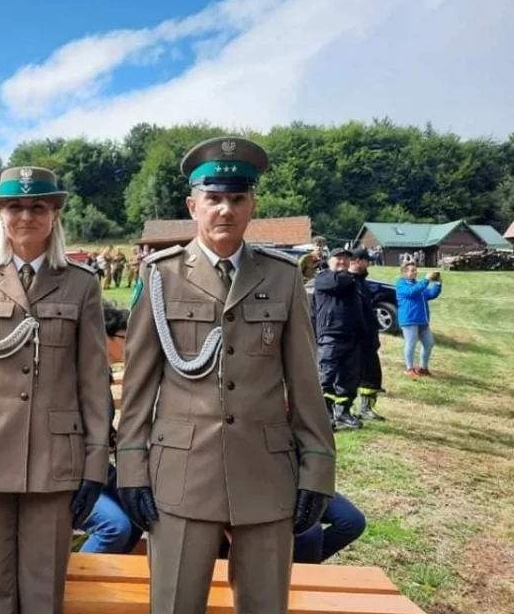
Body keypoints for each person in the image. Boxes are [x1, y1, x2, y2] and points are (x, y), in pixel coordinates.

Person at [117, 136, 335, 614]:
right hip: (181, 473)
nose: (225, 210)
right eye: (213, 198)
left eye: (237, 198)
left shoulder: (282, 276)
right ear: (192, 206)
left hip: (265, 472)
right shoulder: (161, 275)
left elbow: (305, 383)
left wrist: (318, 468)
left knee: (266, 605)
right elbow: (138, 387)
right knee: (174, 604)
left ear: (252, 205)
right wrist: (131, 467)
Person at [0, 166, 110, 614]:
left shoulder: (81, 284)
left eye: (37, 207)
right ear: (1, 215)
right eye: (15, 207)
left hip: (54, 459)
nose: (26, 216)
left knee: (43, 592)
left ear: (54, 216)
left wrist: (94, 465)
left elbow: (93, 382)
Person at [79, 300, 143, 554]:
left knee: (138, 516)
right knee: (114, 526)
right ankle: (70, 579)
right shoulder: (81, 375)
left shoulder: (100, 373)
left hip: (95, 473)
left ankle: (106, 576)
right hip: (69, 478)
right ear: (105, 337)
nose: (132, 344)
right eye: (126, 337)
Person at [218, 491, 365, 564]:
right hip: (245, 487)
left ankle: (296, 571)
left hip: (293, 474)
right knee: (310, 533)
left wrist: (316, 480)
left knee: (352, 522)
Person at [313, 247, 366, 430]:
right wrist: (351, 274)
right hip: (331, 335)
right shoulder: (324, 278)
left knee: (349, 379)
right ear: (329, 261)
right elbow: (337, 283)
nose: (342, 262)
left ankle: (343, 413)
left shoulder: (353, 281)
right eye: (338, 259)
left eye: (346, 259)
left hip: (352, 337)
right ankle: (324, 416)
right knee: (326, 376)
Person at [349, 249, 386, 421]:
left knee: (372, 374)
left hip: (368, 338)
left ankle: (366, 408)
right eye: (367, 261)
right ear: (357, 261)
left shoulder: (362, 282)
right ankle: (345, 411)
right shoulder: (347, 282)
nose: (369, 264)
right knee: (350, 376)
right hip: (354, 338)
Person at [396, 262, 442, 377]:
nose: (415, 272)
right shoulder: (401, 284)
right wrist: (426, 279)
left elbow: (430, 294)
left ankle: (423, 368)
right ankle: (409, 369)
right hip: (409, 319)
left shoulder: (419, 284)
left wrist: (438, 283)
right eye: (412, 270)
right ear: (404, 272)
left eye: (415, 270)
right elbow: (411, 292)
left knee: (429, 343)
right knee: (411, 343)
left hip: (422, 320)